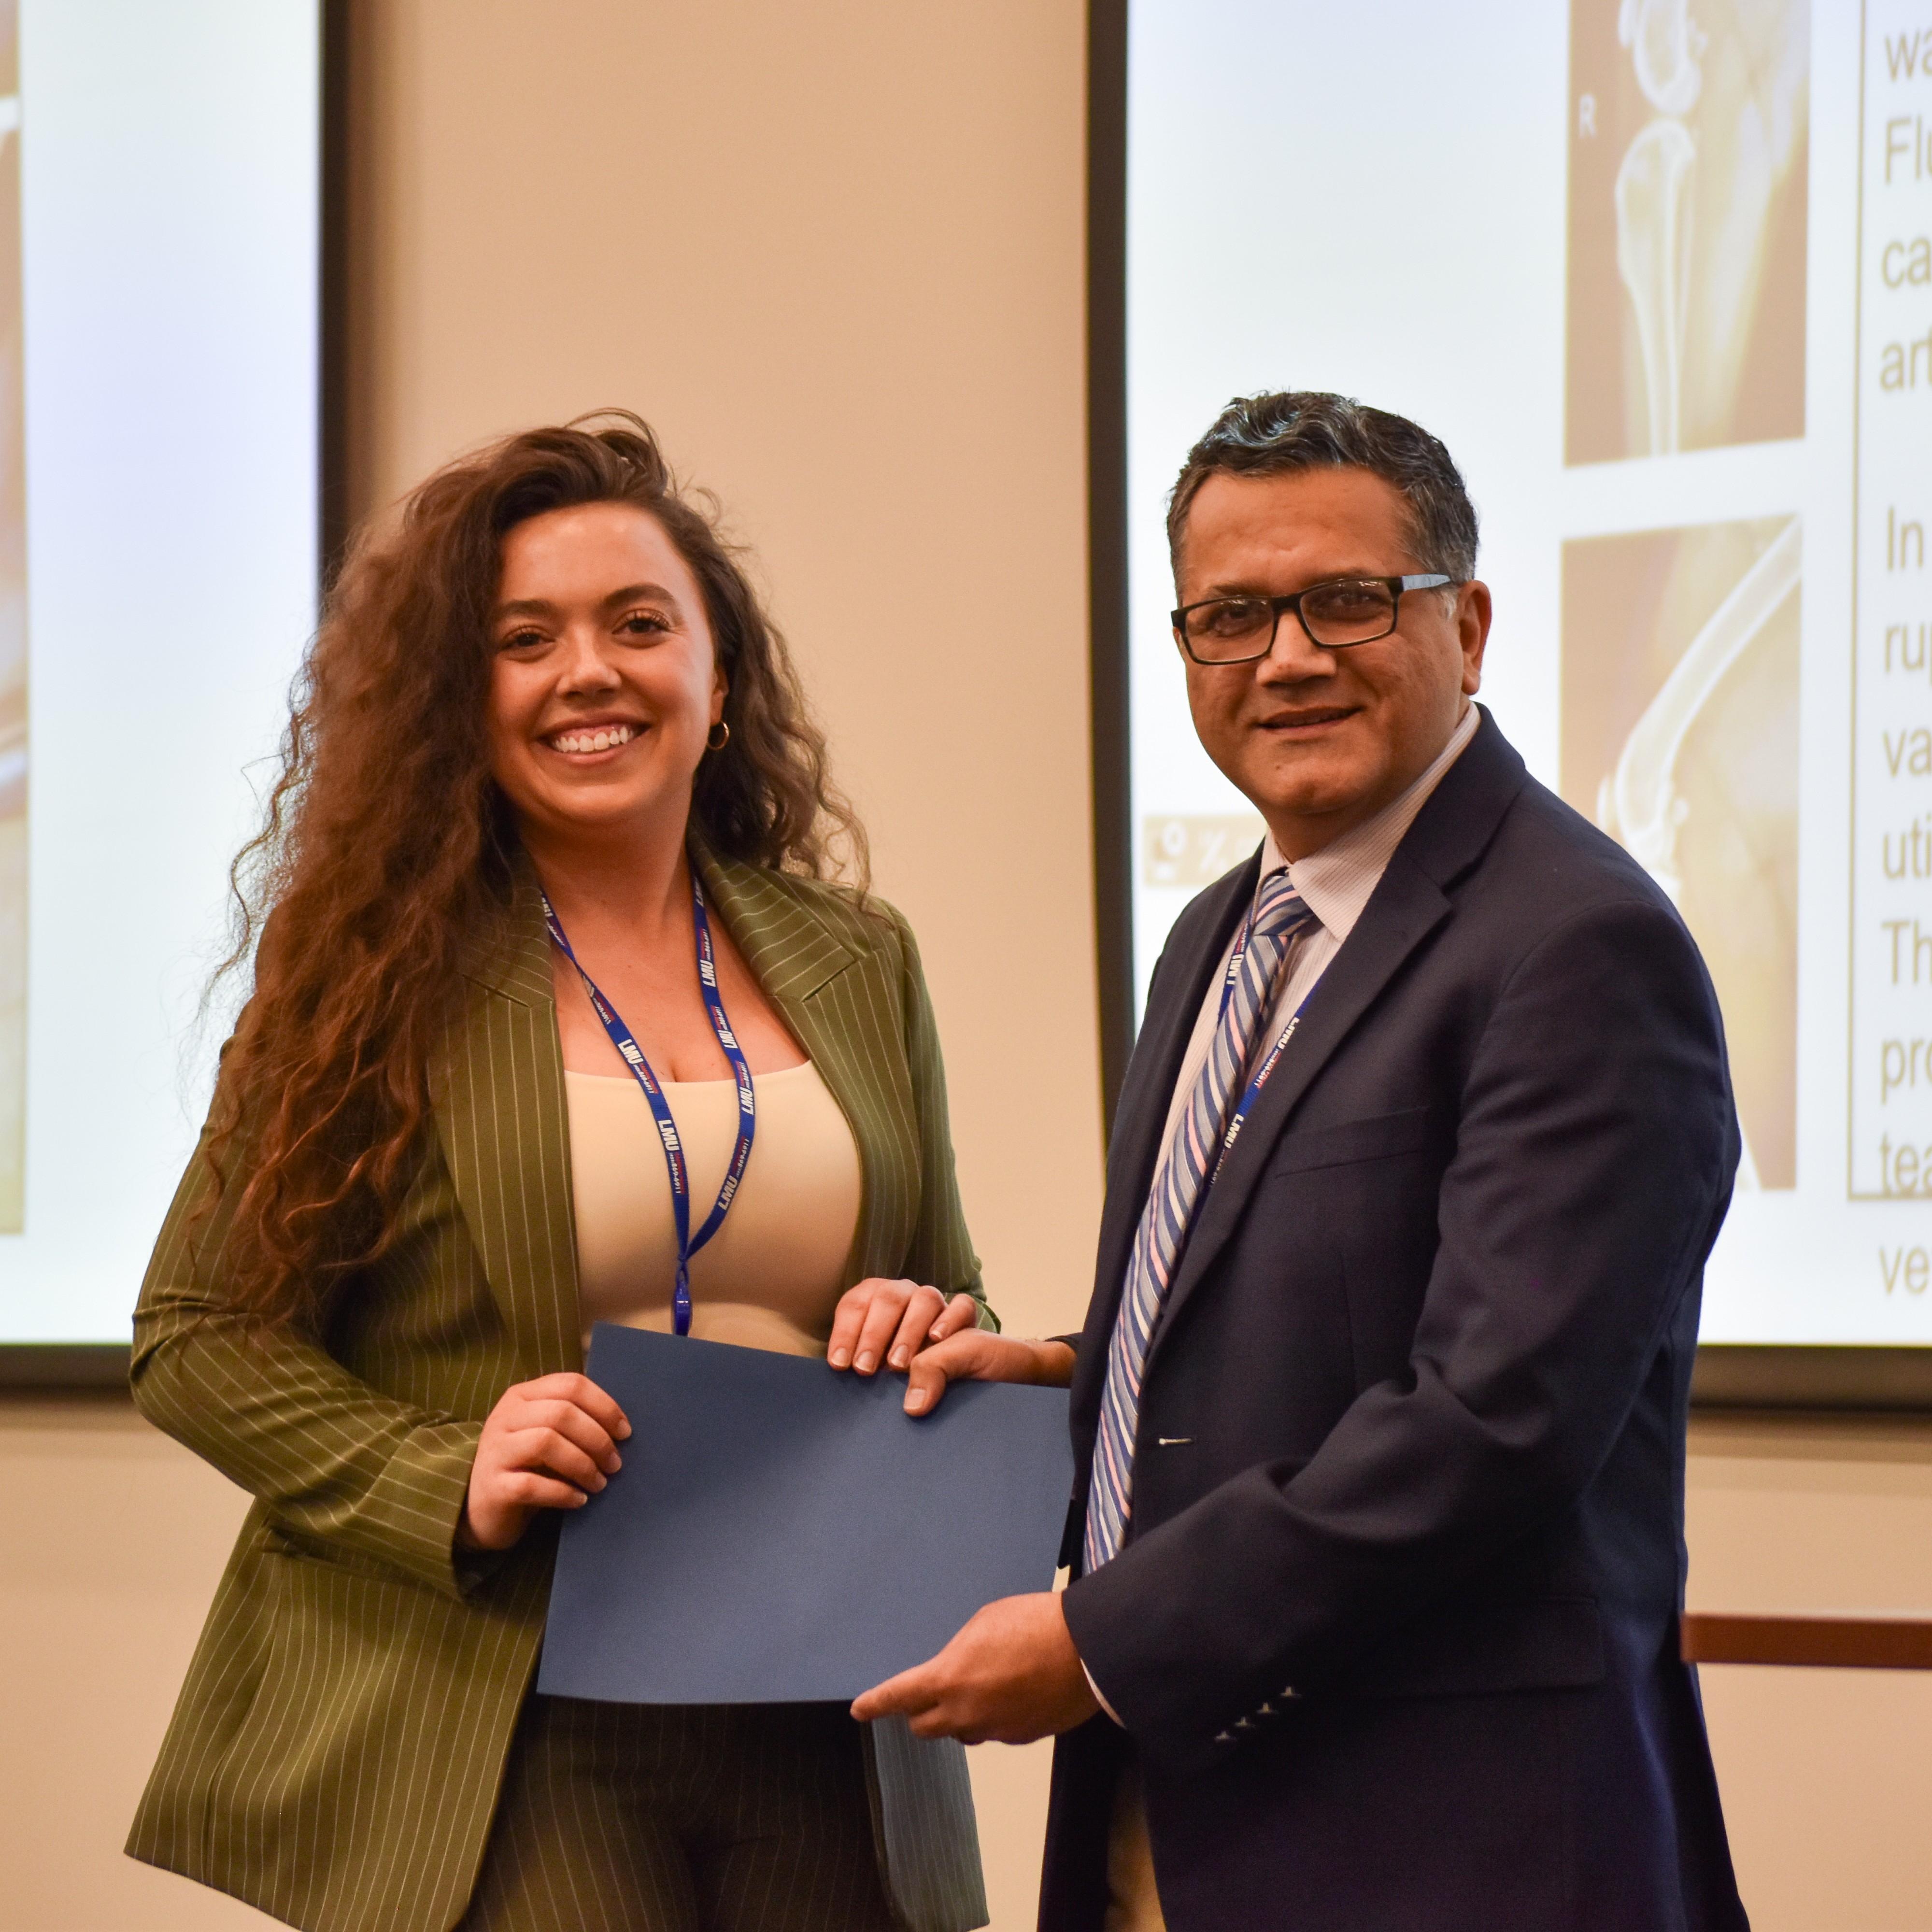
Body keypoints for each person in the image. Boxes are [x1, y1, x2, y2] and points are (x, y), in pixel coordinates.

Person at [855, 392, 1750, 1931]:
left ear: (1465, 626)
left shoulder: (1579, 944)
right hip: (1176, 1819)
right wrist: (1075, 1378)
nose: (1286, 657)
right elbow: (1288, 1330)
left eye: (1346, 602)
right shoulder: (1214, 936)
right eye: (1231, 616)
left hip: (1445, 1848)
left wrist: (1096, 1645)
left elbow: (1494, 1425)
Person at [126, 414, 994, 1932]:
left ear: (718, 680)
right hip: (509, 1727)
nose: (587, 671)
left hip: (833, 1712)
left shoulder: (859, 960)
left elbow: (953, 1289)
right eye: (525, 640)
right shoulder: (371, 975)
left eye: (638, 624)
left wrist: (933, 1326)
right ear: (463, 706)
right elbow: (196, 1334)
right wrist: (442, 1472)